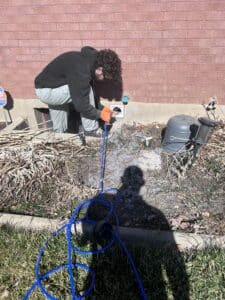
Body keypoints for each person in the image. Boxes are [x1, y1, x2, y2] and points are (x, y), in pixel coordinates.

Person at [34, 46, 122, 136]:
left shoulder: (89, 63)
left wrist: (102, 109)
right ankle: (91, 131)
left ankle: (59, 135)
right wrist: (100, 114)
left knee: (60, 129)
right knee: (86, 92)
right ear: (100, 70)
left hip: (54, 88)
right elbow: (82, 105)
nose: (104, 79)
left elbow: (89, 96)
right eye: (105, 77)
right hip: (47, 92)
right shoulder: (81, 70)